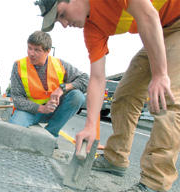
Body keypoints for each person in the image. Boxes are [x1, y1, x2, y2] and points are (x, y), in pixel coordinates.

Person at [35, 0, 180, 191]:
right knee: (125, 95)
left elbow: (147, 14)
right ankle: (116, 158)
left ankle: (154, 184)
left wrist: (160, 75)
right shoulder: (92, 29)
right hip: (160, 29)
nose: (63, 24)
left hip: (174, 22)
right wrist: (90, 126)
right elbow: (97, 78)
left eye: (61, 14)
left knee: (168, 98)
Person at [9, 30, 88, 138]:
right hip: (31, 111)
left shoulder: (60, 65)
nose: (31, 53)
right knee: (12, 131)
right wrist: (42, 108)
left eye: (37, 50)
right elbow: (17, 99)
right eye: (29, 48)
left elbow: (85, 80)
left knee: (77, 96)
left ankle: (51, 134)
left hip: (54, 111)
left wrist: (62, 89)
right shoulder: (18, 66)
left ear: (48, 51)